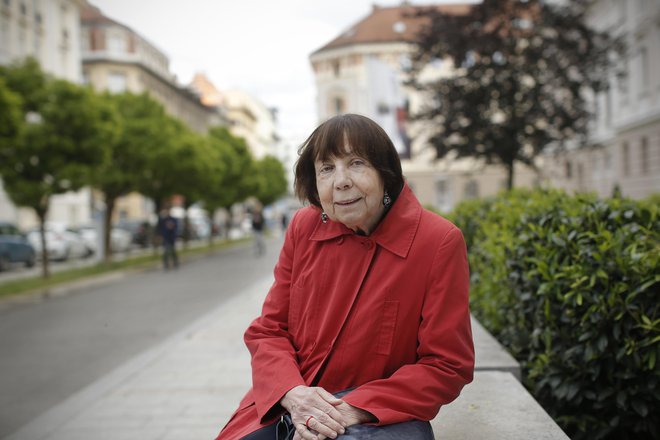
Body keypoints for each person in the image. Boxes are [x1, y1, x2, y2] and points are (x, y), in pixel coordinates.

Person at [215, 114, 474, 440]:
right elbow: (269, 330)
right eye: (326, 169)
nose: (341, 181)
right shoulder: (303, 227)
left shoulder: (437, 241)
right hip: (289, 402)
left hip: (378, 415)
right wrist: (293, 394)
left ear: (385, 173)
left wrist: (348, 409)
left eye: (356, 163)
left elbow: (447, 365)